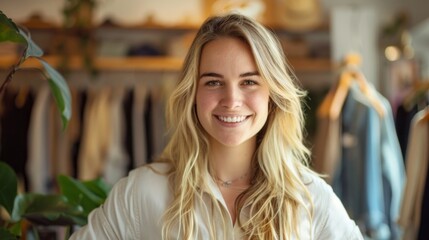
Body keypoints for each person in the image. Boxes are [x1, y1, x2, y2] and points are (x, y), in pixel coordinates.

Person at [70, 13, 363, 239]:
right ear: (192, 94)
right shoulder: (143, 192)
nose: (231, 100)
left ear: (272, 95)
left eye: (249, 82)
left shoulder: (310, 198)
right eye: (213, 82)